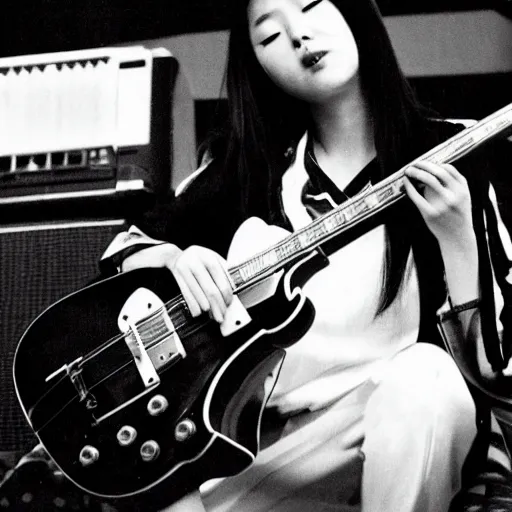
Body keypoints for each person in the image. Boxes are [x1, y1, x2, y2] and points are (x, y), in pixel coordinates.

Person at [99, 0, 512, 511]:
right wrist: (173, 260)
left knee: (427, 379)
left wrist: (459, 240)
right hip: (274, 452)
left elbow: (498, 372)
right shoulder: (246, 169)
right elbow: (125, 247)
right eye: (270, 36)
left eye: (313, 4)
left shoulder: (451, 150)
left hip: (400, 425)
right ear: (259, 65)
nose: (299, 36)